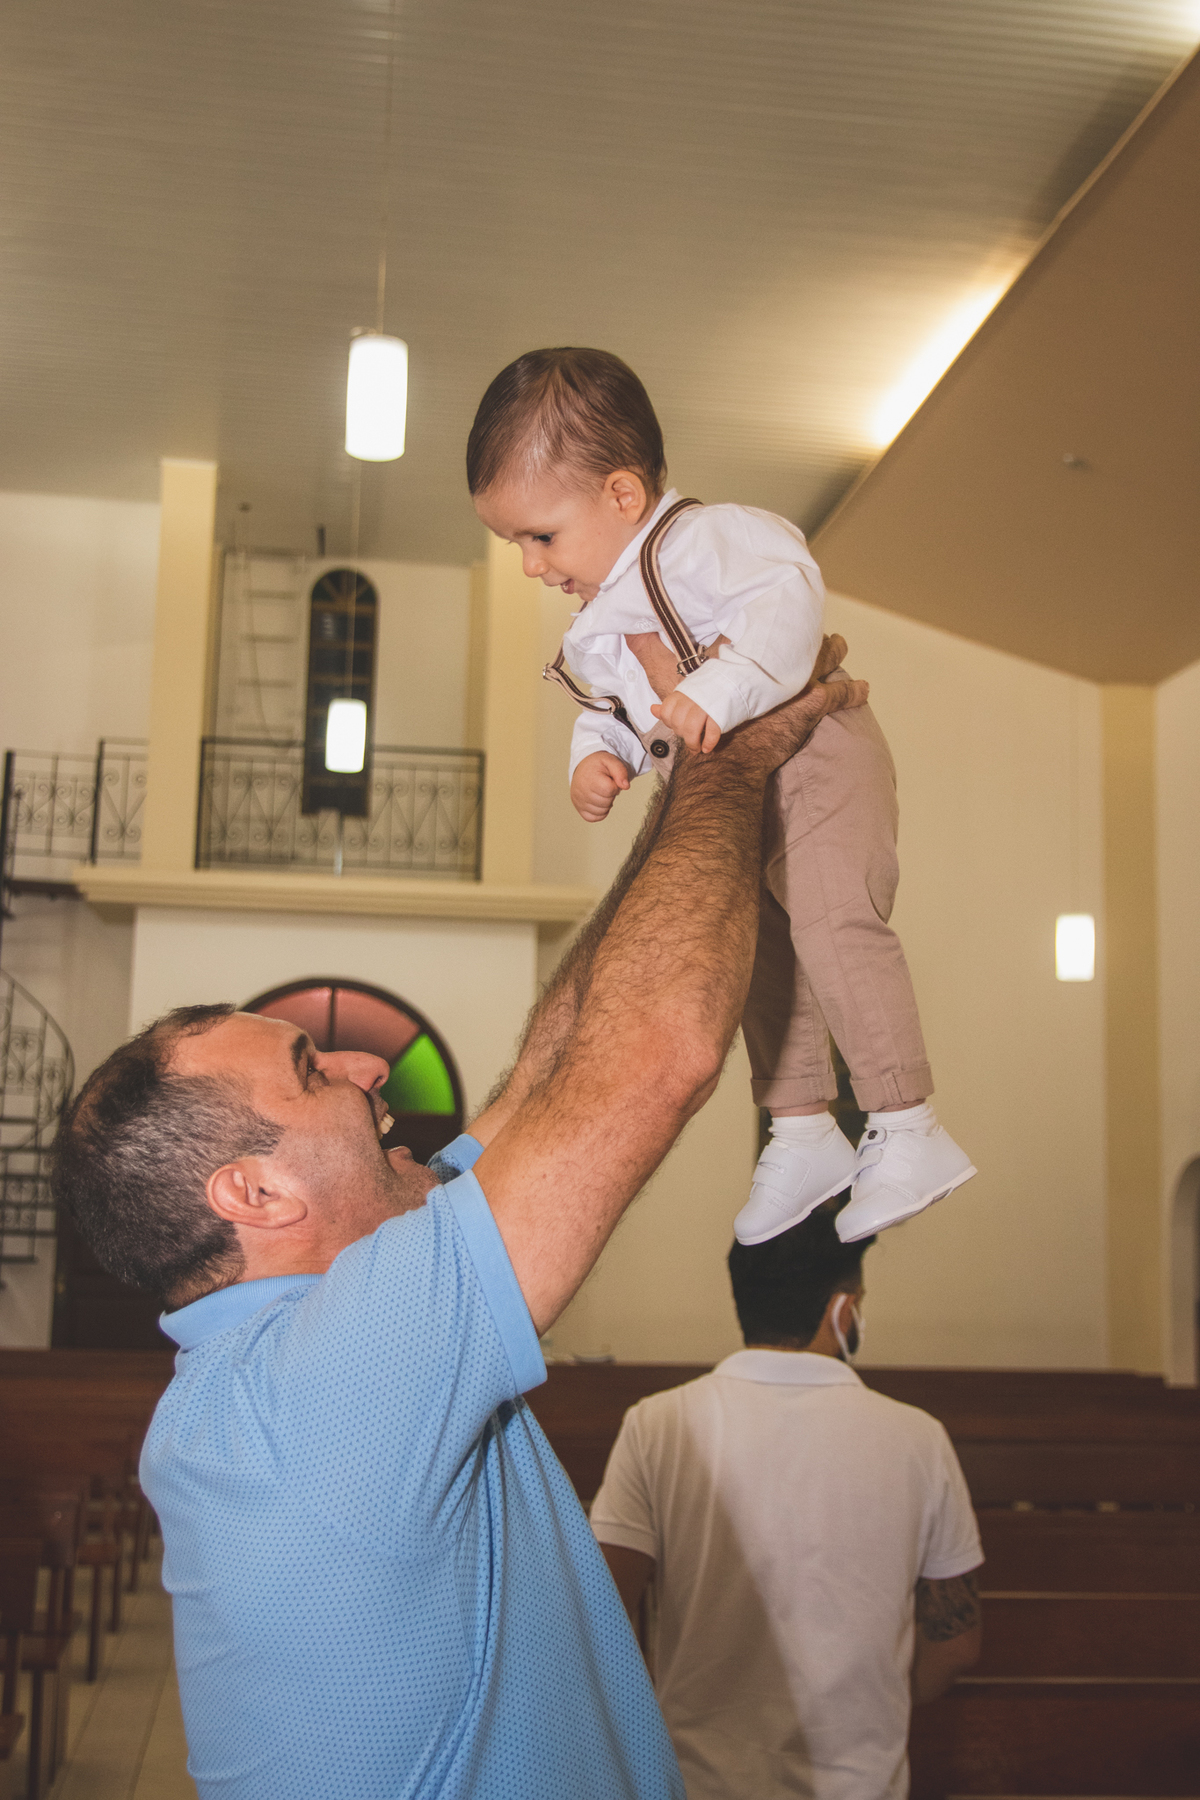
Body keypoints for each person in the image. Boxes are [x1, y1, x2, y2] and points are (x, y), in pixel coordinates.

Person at [50, 658, 864, 1800]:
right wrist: (742, 759)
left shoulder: (306, 1336)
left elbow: (552, 1072)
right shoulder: (318, 1383)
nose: (366, 1063)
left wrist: (686, 760)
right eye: (309, 1070)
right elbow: (656, 1055)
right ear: (254, 1194)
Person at [467, 346, 975, 1249]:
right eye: (514, 544)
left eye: (540, 536)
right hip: (742, 797)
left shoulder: (700, 542)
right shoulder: (596, 624)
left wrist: (724, 688)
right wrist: (598, 758)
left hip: (819, 756)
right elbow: (616, 710)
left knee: (833, 925)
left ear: (623, 496)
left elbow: (792, 602)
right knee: (760, 955)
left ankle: (907, 1124)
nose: (530, 567)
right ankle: (803, 1127)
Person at [590, 1199, 983, 1800]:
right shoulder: (918, 1438)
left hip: (700, 1781)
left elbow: (605, 1618)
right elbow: (954, 1645)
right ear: (842, 1310)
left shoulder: (659, 1424)